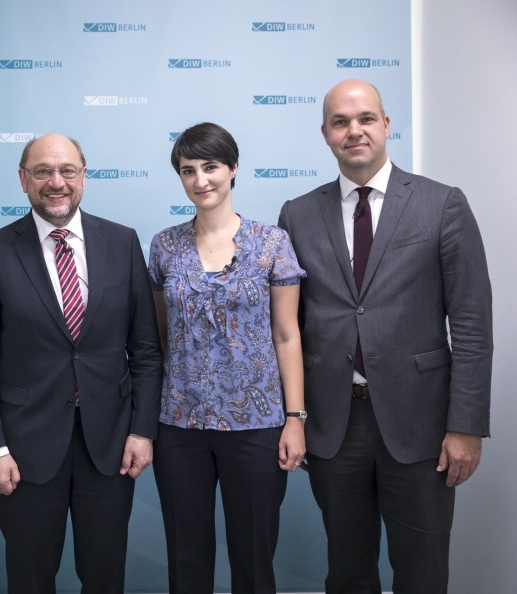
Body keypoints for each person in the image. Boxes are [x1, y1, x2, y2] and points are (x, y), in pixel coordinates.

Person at [278, 79, 493, 593]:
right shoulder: (297, 214)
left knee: (422, 574)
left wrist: (466, 426)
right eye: (340, 122)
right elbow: (287, 330)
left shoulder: (442, 204)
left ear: (386, 125)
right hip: (334, 425)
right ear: (326, 134)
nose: (354, 131)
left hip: (422, 426)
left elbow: (471, 324)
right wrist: (294, 417)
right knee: (348, 573)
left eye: (366, 119)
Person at [0, 133, 163, 593]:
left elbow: (146, 350)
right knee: (30, 579)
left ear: (84, 178)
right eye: (43, 172)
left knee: (105, 576)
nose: (56, 182)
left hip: (109, 445)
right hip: (23, 449)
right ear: (23, 180)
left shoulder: (122, 241)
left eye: (67, 171)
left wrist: (142, 430)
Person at [148, 122, 306, 593]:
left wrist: (295, 418)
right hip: (180, 425)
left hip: (257, 425)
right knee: (186, 557)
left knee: (254, 559)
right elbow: (161, 334)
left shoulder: (271, 243)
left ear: (233, 169)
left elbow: (287, 335)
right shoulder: (164, 246)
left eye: (211, 166)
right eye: (188, 170)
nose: (201, 180)